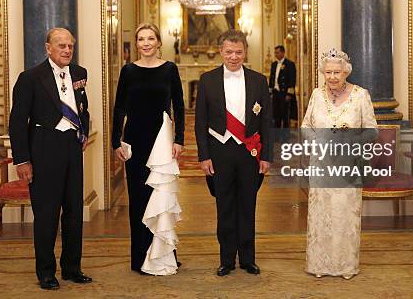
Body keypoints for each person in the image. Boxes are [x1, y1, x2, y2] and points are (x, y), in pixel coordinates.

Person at [8, 28, 92, 290]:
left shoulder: (79, 73)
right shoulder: (30, 78)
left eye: (70, 46)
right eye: (61, 46)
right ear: (48, 48)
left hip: (71, 149)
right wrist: (22, 160)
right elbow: (18, 122)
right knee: (46, 215)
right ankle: (46, 272)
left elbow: (82, 108)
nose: (67, 50)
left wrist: (84, 132)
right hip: (43, 149)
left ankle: (72, 268)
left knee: (74, 212)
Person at [195, 30, 271, 277]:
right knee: (224, 205)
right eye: (229, 52)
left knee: (248, 206)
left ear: (245, 52)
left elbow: (266, 122)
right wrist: (204, 156)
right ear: (221, 52)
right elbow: (200, 122)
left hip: (250, 152)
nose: (234, 57)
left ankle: (248, 259)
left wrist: (267, 156)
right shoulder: (207, 80)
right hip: (220, 151)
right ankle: (227, 259)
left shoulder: (259, 80)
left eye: (239, 52)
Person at [112, 23, 184, 275]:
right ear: (137, 43)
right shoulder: (128, 71)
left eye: (150, 38)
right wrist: (115, 142)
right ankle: (140, 257)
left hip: (161, 141)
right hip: (135, 141)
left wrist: (179, 140)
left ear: (158, 42)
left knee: (161, 196)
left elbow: (179, 105)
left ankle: (165, 252)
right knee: (139, 200)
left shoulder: (169, 69)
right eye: (141, 38)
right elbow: (119, 107)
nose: (145, 43)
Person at [301, 48, 377, 279]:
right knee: (321, 215)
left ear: (346, 72)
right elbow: (306, 126)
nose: (332, 77)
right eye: (328, 72)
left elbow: (372, 131)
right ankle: (319, 265)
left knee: (344, 215)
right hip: (322, 165)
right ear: (323, 73)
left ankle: (345, 266)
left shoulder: (361, 95)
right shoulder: (316, 95)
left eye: (337, 72)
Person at [269, 45, 296, 128]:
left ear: (283, 52)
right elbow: (271, 79)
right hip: (276, 92)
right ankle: (277, 136)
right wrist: (270, 92)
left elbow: (292, 80)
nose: (276, 54)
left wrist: (289, 94)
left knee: (285, 116)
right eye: (275, 53)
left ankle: (285, 137)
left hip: (284, 93)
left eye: (277, 52)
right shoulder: (274, 64)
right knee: (276, 115)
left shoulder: (289, 64)